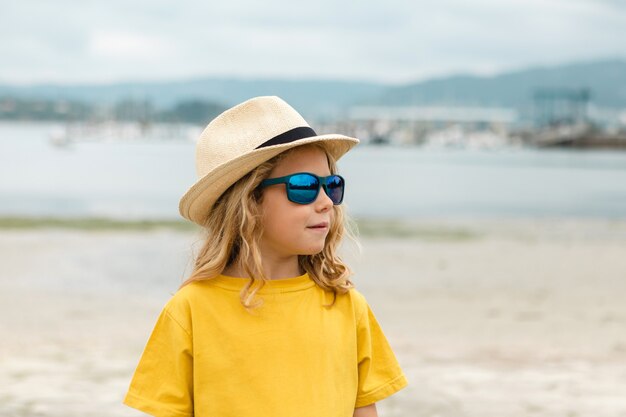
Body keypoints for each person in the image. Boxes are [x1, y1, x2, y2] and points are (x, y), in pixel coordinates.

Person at [123, 96, 408, 417]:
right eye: (304, 187)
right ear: (248, 202)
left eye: (332, 185)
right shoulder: (190, 312)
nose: (327, 201)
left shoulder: (347, 306)